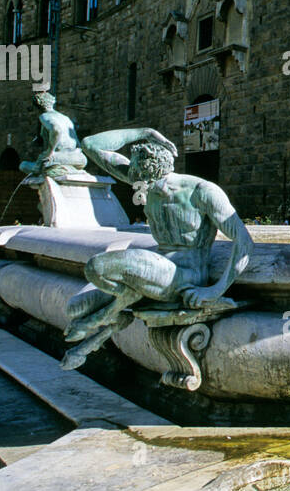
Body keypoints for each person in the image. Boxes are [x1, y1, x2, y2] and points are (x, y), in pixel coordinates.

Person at [60, 128, 253, 369]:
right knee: (74, 307)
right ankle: (112, 313)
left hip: (185, 274)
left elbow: (244, 242)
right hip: (154, 268)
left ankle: (109, 315)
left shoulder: (202, 191)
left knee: (97, 266)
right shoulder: (144, 181)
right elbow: (90, 145)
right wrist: (146, 133)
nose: (139, 189)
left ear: (152, 173)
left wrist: (214, 290)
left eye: (142, 182)